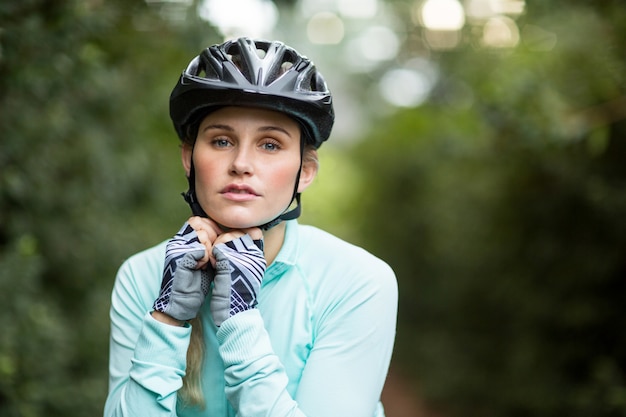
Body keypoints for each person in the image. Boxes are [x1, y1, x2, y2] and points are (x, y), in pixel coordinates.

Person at [104, 37, 398, 417]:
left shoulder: (358, 281)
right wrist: (166, 319)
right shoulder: (141, 276)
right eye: (222, 140)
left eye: (271, 145)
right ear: (189, 158)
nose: (242, 163)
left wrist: (240, 321)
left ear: (304, 172)